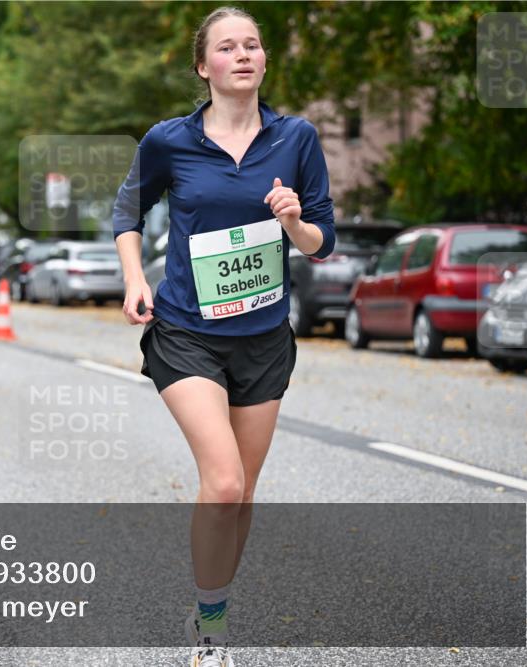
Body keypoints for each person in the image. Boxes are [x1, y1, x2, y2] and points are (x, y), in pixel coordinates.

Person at [111, 7, 335, 667]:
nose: (244, 55)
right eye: (228, 47)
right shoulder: (169, 141)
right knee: (225, 483)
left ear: (265, 61)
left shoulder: (297, 138)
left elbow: (323, 242)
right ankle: (211, 640)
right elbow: (129, 208)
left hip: (265, 338)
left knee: (243, 497)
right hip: (186, 331)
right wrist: (133, 279)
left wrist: (295, 220)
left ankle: (210, 604)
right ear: (203, 66)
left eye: (254, 45)